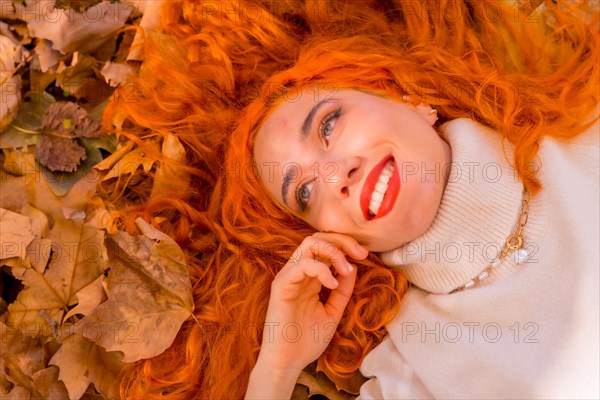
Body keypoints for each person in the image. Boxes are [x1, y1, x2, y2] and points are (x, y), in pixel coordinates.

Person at [103, 0, 599, 399]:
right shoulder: (413, 369)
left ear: (407, 95)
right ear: (327, 237)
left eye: (329, 125)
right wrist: (278, 365)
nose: (335, 173)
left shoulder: (589, 133)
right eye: (303, 191)